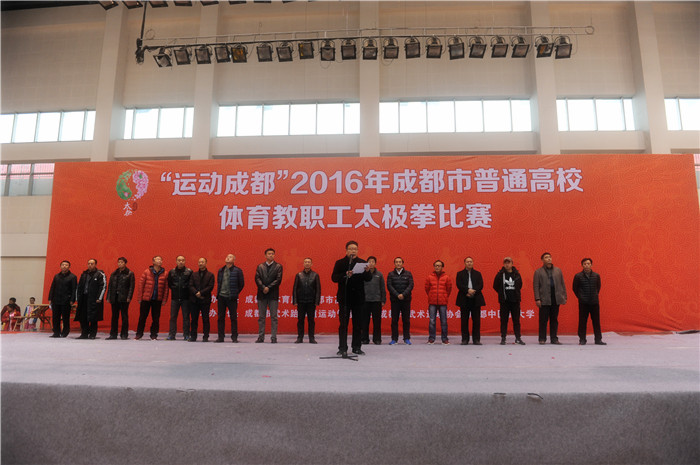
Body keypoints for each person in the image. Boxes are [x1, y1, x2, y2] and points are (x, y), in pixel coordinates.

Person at [331, 240, 371, 357]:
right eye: (351, 249)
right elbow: (334, 278)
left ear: (357, 251)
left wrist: (367, 272)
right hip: (344, 298)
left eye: (355, 249)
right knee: (343, 324)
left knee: (358, 324)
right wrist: (345, 275)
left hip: (358, 298)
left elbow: (368, 278)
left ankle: (356, 347)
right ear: (346, 250)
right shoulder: (340, 263)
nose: (353, 251)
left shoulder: (362, 263)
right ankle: (342, 348)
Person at [533, 252, 567, 345]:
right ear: (542, 260)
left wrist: (564, 296)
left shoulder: (558, 271)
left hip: (556, 298)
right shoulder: (538, 272)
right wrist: (537, 298)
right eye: (546, 257)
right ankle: (542, 338)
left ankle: (554, 338)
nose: (549, 259)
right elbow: (536, 286)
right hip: (544, 299)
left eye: (550, 257)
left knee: (554, 320)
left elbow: (562, 284)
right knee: (543, 320)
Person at [573, 258, 606, 346]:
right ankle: (582, 339)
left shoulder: (596, 276)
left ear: (591, 265)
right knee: (582, 322)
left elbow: (598, 287)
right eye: (585, 264)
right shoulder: (578, 276)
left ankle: (598, 339)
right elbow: (575, 288)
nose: (587, 265)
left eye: (588, 263)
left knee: (596, 321)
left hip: (594, 302)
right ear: (582, 265)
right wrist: (581, 297)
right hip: (583, 303)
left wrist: (594, 295)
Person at [135, 255, 169, 340]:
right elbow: (141, 285)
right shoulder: (147, 272)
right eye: (157, 259)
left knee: (156, 318)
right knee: (142, 317)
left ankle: (154, 334)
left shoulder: (165, 273)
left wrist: (164, 299)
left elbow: (166, 288)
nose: (159, 261)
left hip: (157, 299)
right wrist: (140, 298)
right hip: (146, 299)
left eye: (161, 260)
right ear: (153, 262)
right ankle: (139, 334)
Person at [493, 257, 525, 345]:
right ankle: (503, 338)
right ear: (503, 264)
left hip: (515, 301)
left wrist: (515, 293)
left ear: (512, 264)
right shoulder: (500, 274)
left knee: (516, 321)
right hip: (504, 302)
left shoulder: (517, 274)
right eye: (505, 263)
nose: (507, 264)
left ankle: (518, 338)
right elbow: (495, 286)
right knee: (504, 321)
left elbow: (520, 285)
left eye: (509, 263)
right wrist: (501, 293)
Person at [255, 248, 283, 343]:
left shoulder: (278, 266)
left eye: (272, 254)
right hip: (262, 294)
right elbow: (257, 278)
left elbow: (278, 279)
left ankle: (273, 337)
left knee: (274, 317)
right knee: (261, 317)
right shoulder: (260, 266)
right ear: (265, 255)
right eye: (269, 254)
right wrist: (263, 287)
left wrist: (268, 287)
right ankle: (261, 337)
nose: (271, 255)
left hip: (273, 294)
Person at [455, 257, 486, 345]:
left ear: (473, 263)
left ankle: (476, 339)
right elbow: (459, 285)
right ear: (464, 263)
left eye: (471, 262)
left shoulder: (478, 274)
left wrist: (473, 291)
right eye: (467, 262)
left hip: (476, 299)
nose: (469, 263)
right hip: (464, 298)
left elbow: (480, 285)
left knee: (476, 321)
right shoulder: (460, 274)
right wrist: (468, 290)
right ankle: (465, 339)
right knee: (464, 321)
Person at [216, 253, 245, 343]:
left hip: (231, 298)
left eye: (230, 257)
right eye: (227, 257)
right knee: (220, 318)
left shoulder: (238, 271)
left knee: (233, 318)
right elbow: (219, 283)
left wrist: (234, 292)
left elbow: (241, 284)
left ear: (234, 260)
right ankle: (221, 337)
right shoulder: (221, 270)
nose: (228, 258)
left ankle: (234, 337)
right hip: (221, 297)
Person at [75, 259, 107, 339]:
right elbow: (79, 286)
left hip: (94, 299)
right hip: (83, 298)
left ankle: (92, 334)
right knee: (83, 317)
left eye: (92, 264)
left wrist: (99, 298)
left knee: (93, 318)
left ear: (95, 264)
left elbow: (103, 286)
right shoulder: (84, 274)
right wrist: (77, 298)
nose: (90, 265)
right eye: (88, 263)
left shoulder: (100, 274)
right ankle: (84, 334)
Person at [292, 258, 321, 344]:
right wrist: (295, 301)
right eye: (305, 262)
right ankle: (300, 337)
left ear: (311, 264)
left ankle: (311, 338)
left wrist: (317, 301)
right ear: (303, 264)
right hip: (301, 301)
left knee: (311, 320)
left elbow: (318, 289)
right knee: (300, 320)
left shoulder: (315, 275)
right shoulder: (299, 275)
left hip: (311, 301)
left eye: (309, 262)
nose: (307, 263)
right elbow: (295, 288)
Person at [386, 257, 414, 345]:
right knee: (394, 320)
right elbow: (389, 286)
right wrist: (397, 295)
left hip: (406, 300)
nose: (398, 263)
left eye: (400, 262)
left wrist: (403, 294)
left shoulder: (408, 274)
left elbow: (411, 285)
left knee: (406, 320)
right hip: (395, 300)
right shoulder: (390, 274)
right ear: (394, 264)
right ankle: (394, 339)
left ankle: (406, 338)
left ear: (402, 263)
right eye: (396, 262)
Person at [105, 257, 135, 340]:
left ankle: (124, 334)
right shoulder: (114, 273)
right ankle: (113, 334)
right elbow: (110, 286)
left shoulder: (129, 273)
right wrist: (108, 296)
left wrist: (129, 297)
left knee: (124, 317)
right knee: (114, 317)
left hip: (124, 297)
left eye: (122, 262)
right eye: (119, 262)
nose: (120, 264)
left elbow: (131, 287)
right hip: (114, 297)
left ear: (125, 263)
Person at [424, 260, 452, 345]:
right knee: (432, 321)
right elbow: (427, 289)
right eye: (436, 265)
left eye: (439, 266)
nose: (437, 267)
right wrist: (431, 296)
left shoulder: (446, 277)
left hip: (443, 302)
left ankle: (444, 339)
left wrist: (444, 296)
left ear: (442, 267)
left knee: (444, 321)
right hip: (432, 302)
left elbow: (449, 289)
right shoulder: (429, 277)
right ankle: (431, 338)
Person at [47, 260, 77, 338]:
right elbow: (52, 287)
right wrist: (50, 298)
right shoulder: (56, 276)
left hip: (66, 300)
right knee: (55, 317)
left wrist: (72, 300)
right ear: (60, 266)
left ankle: (65, 332)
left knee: (65, 317)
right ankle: (56, 332)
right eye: (63, 265)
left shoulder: (72, 277)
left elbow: (74, 289)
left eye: (66, 265)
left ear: (69, 267)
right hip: (56, 300)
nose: (64, 266)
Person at [167, 255, 193, 341]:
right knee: (173, 317)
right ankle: (172, 335)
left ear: (185, 261)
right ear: (176, 261)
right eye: (179, 260)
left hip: (186, 298)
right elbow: (170, 284)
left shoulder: (189, 272)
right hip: (175, 298)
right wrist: (174, 289)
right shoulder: (172, 272)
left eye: (182, 260)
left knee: (186, 317)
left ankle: (186, 334)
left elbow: (191, 284)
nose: (181, 262)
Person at [189, 257, 215, 342]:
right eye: (199, 262)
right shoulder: (194, 274)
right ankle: (193, 336)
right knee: (194, 319)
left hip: (205, 300)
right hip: (194, 300)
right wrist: (196, 293)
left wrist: (201, 293)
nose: (200, 263)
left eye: (202, 262)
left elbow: (210, 286)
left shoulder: (210, 275)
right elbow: (190, 285)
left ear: (206, 263)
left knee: (205, 319)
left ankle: (205, 336)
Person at [362, 256, 386, 345]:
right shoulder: (363, 274)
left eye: (373, 262)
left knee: (377, 321)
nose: (371, 263)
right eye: (369, 262)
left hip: (376, 300)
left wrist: (383, 300)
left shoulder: (379, 274)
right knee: (364, 321)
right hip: (365, 300)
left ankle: (377, 339)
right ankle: (364, 338)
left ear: (375, 263)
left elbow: (382, 288)